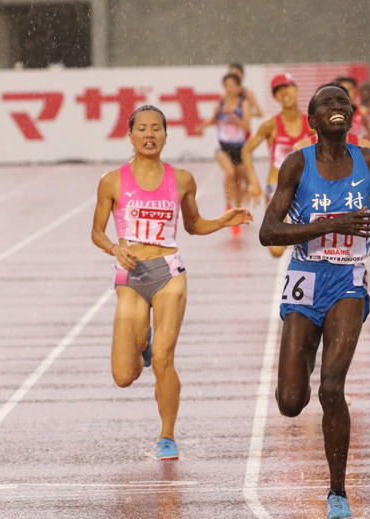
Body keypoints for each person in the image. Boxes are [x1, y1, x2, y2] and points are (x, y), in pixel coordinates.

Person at [259, 85, 370, 519]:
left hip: (347, 283)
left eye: (343, 103)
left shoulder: (369, 160)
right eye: (326, 105)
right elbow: (268, 232)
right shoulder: (296, 165)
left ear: (351, 116)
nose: (337, 108)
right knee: (290, 402)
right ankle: (309, 351)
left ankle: (338, 493)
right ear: (313, 121)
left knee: (332, 388)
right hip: (305, 280)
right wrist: (334, 223)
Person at [90, 105, 253, 460]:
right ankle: (142, 342)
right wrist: (115, 248)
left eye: (157, 129)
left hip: (169, 273)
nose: (149, 135)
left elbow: (193, 226)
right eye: (142, 129)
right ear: (130, 136)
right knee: (124, 375)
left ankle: (167, 435)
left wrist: (223, 221)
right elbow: (97, 233)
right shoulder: (112, 181)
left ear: (166, 135)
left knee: (164, 359)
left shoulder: (181, 180)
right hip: (131, 277)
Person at [242, 72, 313, 257]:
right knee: (276, 249)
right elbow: (247, 150)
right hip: (277, 188)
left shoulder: (311, 123)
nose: (284, 94)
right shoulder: (270, 125)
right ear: (274, 97)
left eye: (287, 87)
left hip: (307, 187)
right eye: (278, 91)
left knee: (314, 245)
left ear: (296, 89)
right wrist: (253, 182)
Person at [196, 73, 251, 234]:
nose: (229, 88)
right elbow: (214, 119)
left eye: (232, 85)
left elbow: (247, 127)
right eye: (226, 85)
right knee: (230, 172)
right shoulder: (219, 103)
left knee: (240, 177)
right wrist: (203, 126)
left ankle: (238, 210)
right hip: (222, 147)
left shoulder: (243, 104)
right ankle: (228, 205)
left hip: (239, 147)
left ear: (238, 87)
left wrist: (233, 115)